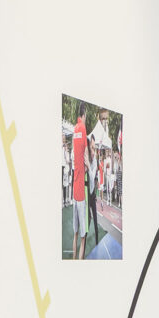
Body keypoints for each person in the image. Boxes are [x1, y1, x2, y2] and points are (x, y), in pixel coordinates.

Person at [70, 110, 94, 260]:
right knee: (83, 237)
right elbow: (85, 156)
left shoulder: (75, 132)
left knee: (76, 233)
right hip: (81, 194)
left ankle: (74, 259)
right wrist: (88, 166)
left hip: (75, 191)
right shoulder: (82, 129)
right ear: (84, 115)